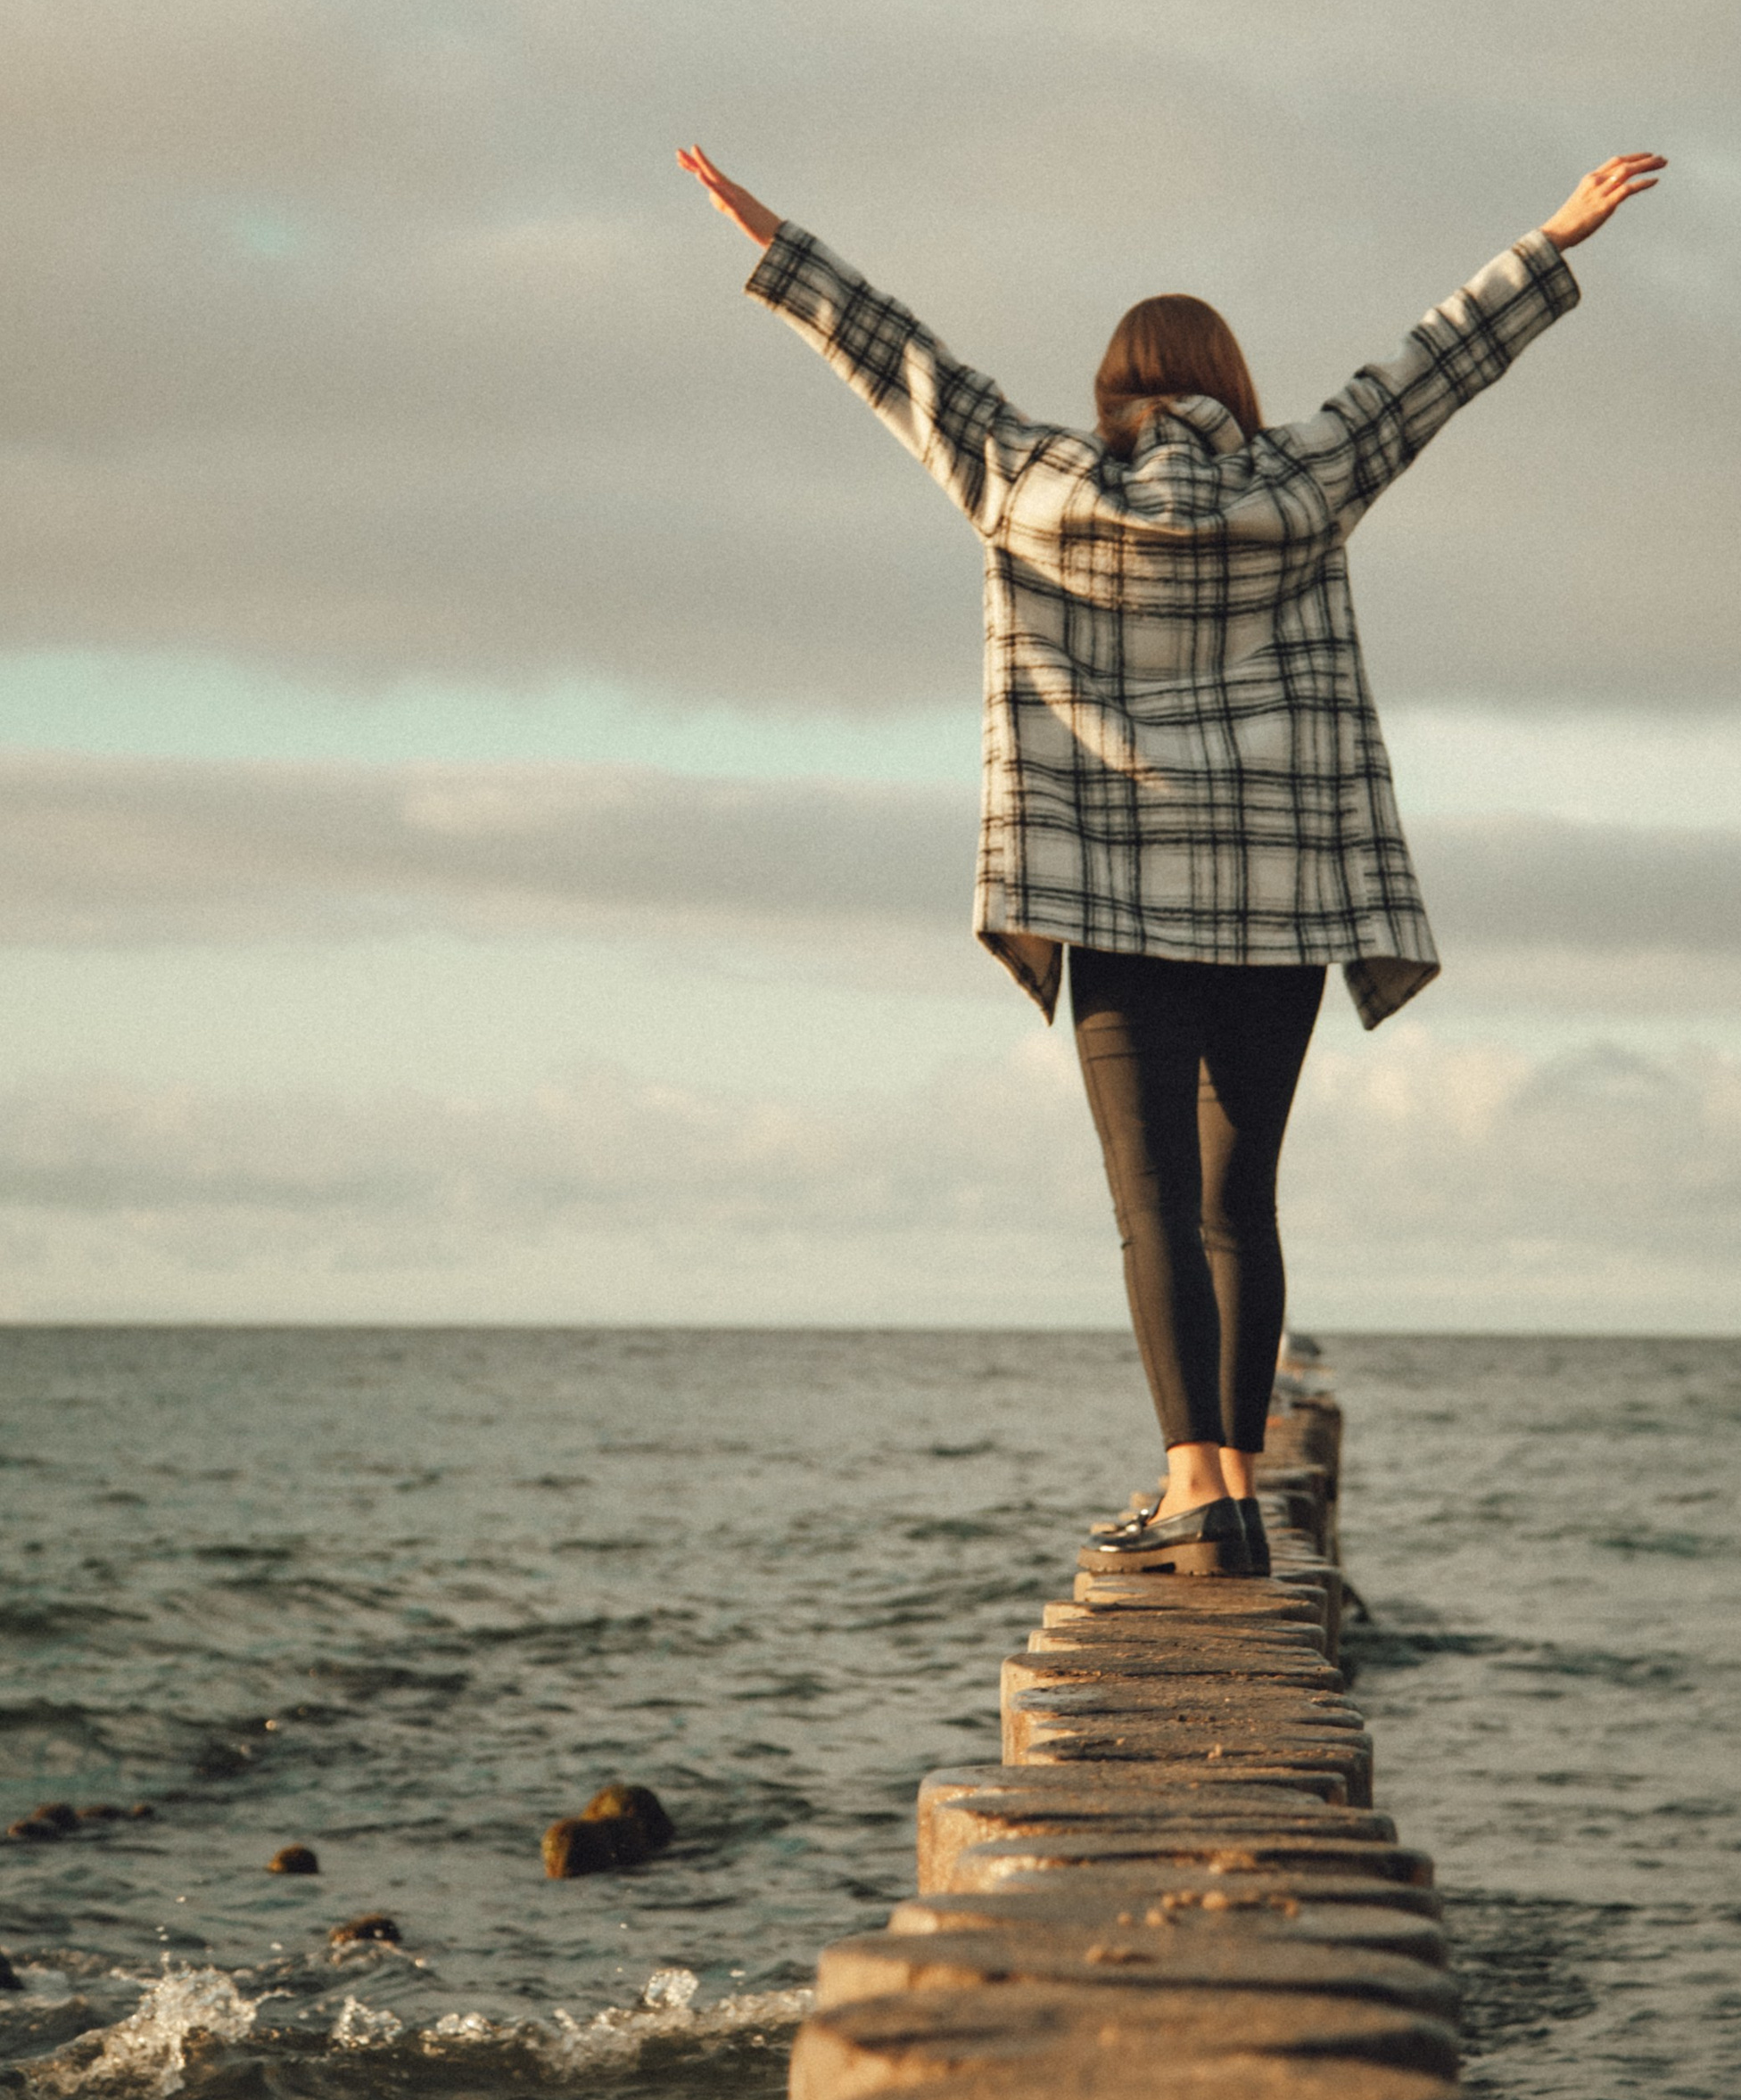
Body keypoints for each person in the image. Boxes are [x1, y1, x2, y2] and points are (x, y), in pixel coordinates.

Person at [682, 138, 1663, 1573]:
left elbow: (897, 359)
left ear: (1115, 391)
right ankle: (1241, 1499)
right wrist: (1557, 233)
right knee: (1238, 1199)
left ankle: (1196, 1485)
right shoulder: (1306, 482)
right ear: (1230, 387)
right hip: (1282, 912)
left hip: (1114, 906)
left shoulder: (1032, 483)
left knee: (1148, 1205)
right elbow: (1435, 370)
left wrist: (773, 240)